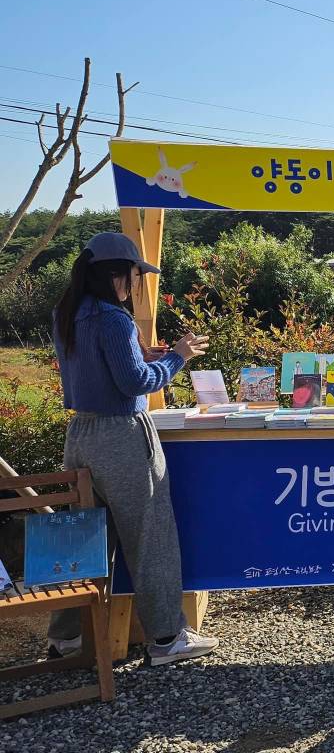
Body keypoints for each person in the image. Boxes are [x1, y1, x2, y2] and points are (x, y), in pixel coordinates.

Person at [49, 232, 219, 667]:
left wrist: (141, 355)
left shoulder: (68, 314)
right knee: (150, 535)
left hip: (81, 434)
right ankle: (165, 637)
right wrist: (176, 357)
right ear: (115, 275)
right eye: (133, 275)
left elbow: (100, 369)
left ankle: (67, 638)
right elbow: (136, 384)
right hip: (123, 435)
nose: (135, 283)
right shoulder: (114, 320)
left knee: (83, 539)